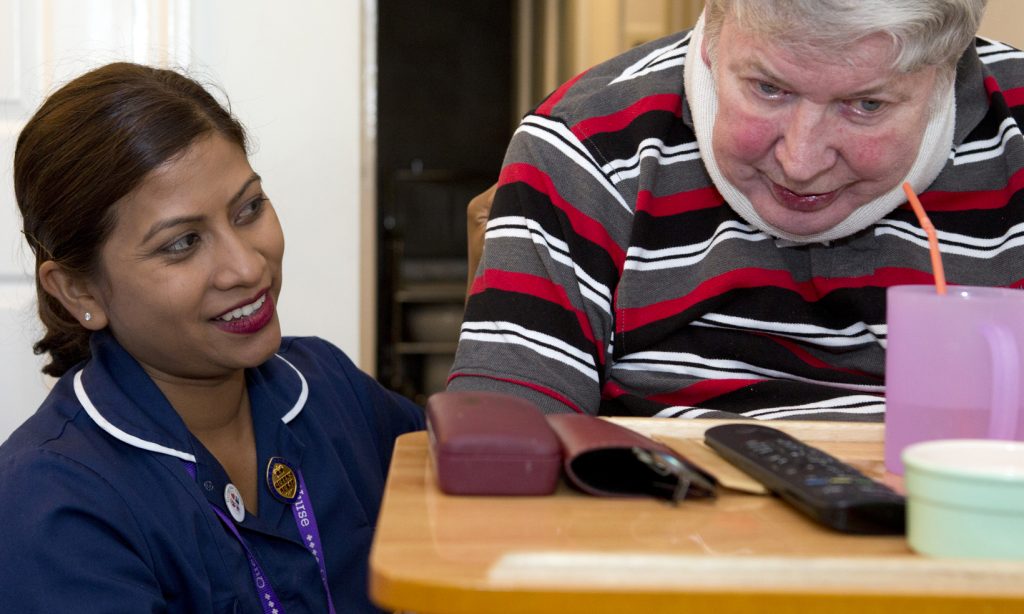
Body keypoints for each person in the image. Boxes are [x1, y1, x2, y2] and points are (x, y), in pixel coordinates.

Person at [449, 0, 1023, 420]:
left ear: (946, 70)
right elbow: (505, 445)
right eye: (769, 89)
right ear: (711, 36)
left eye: (865, 104)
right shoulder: (589, 142)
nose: (800, 162)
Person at [0, 62, 425, 612]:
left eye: (249, 209)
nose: (247, 267)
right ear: (79, 290)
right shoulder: (52, 502)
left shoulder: (328, 387)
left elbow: (483, 497)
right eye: (182, 243)